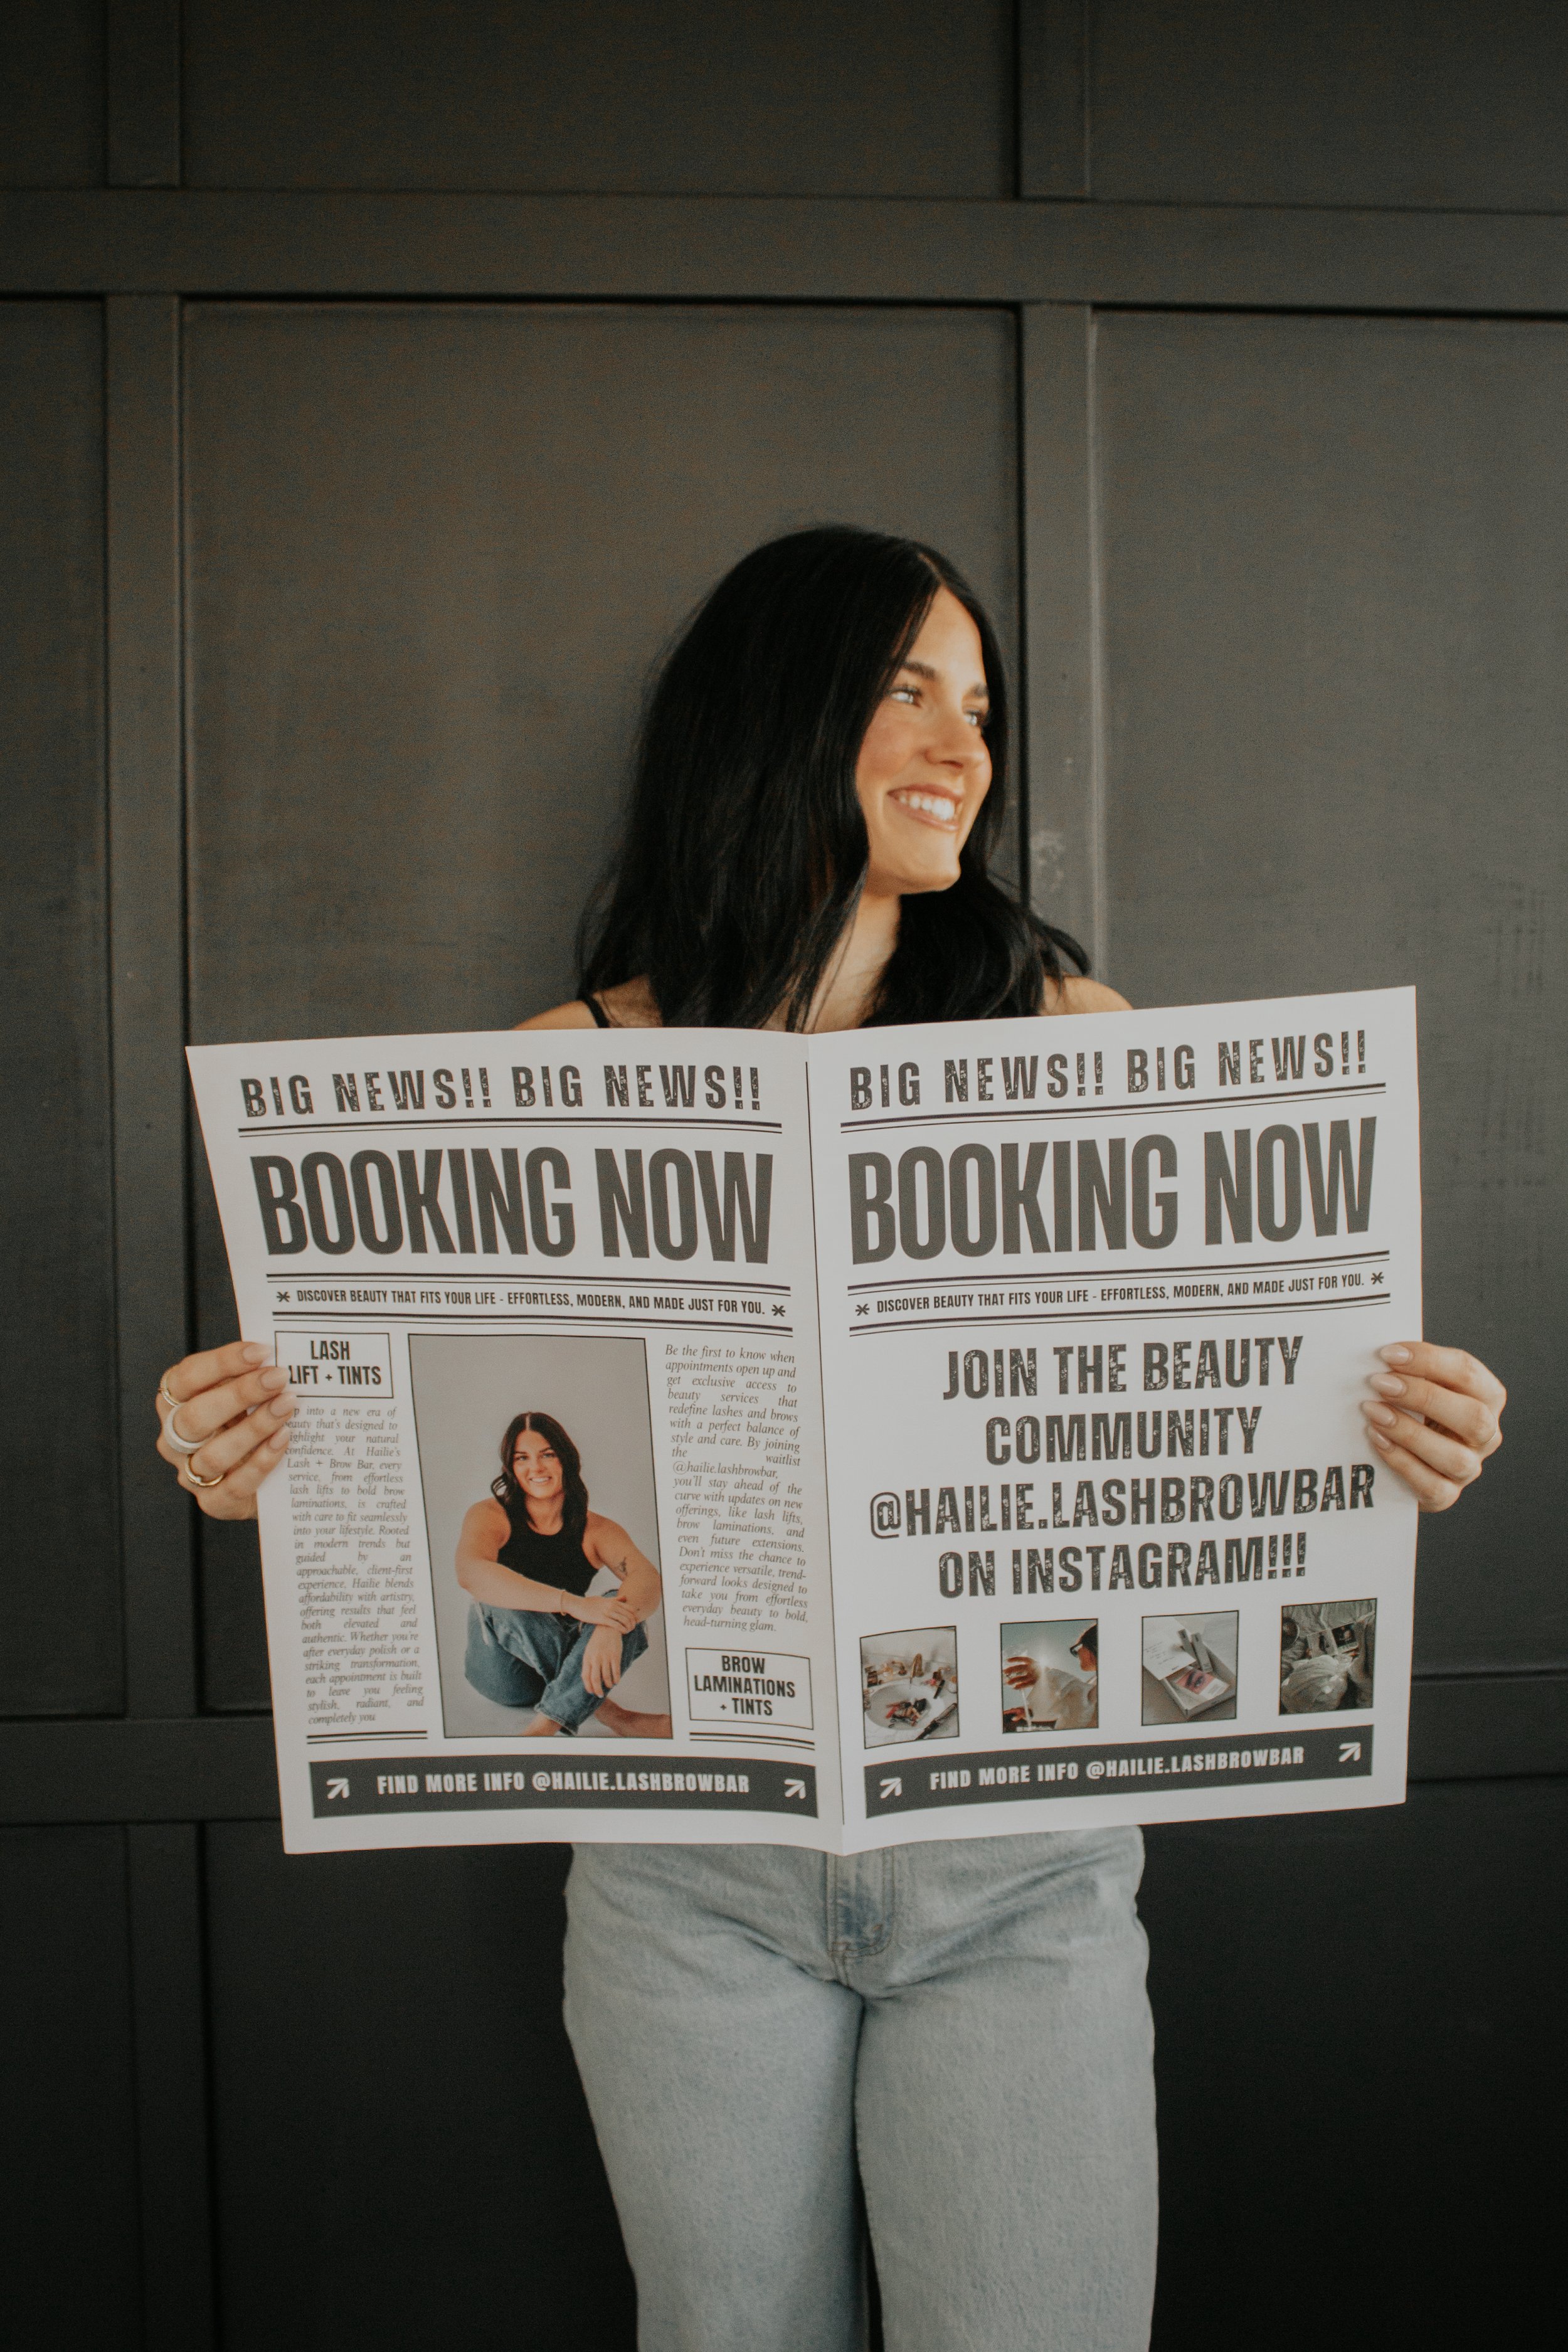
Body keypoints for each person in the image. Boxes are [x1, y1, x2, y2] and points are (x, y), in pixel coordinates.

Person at [153, 526, 1507, 2351]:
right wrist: (260, 1447)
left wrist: (1391, 1421)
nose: (961, 740)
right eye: (905, 685)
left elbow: (1202, 1402)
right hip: (686, 1877)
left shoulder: (1064, 1030)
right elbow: (472, 1462)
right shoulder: (575, 1056)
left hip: (1012, 1861)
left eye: (977, 701)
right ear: (778, 710)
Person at [457, 1409, 670, 1739]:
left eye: (547, 1455)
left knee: (621, 1604)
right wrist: (574, 1604)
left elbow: (649, 1581)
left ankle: (542, 1729)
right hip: (503, 1674)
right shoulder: (490, 1514)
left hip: (563, 1674)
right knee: (500, 1596)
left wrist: (607, 1626)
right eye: (522, 1458)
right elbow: (471, 1573)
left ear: (566, 1461)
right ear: (511, 1468)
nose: (536, 1468)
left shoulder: (597, 1529)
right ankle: (616, 1717)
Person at [1004, 1623, 1099, 1729]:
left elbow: (1088, 1709)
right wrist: (1030, 1712)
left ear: (1094, 1644)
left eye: (1077, 1648)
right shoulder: (1094, 1681)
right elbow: (1073, 1711)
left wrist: (1048, 1675)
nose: (1077, 1653)